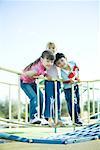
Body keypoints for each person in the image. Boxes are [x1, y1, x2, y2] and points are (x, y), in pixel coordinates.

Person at [20, 50, 54, 124]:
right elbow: (26, 74)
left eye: (51, 62)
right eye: (48, 61)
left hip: (32, 82)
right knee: (34, 97)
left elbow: (43, 72)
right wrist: (34, 74)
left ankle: (40, 117)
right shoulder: (37, 68)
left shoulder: (43, 66)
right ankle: (33, 117)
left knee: (41, 97)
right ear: (42, 60)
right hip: (25, 82)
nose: (50, 64)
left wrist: (46, 75)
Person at [54, 53, 82, 125]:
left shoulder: (72, 63)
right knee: (72, 102)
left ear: (65, 59)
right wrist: (72, 79)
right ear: (57, 66)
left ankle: (78, 116)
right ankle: (75, 119)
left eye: (62, 61)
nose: (61, 63)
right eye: (59, 63)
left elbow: (76, 70)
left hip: (76, 86)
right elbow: (67, 80)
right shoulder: (61, 73)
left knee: (77, 101)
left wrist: (77, 77)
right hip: (68, 89)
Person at [43, 42, 62, 126]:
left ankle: (58, 118)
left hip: (57, 81)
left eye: (53, 48)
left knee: (57, 100)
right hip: (49, 81)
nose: (52, 49)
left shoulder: (56, 58)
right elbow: (42, 69)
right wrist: (46, 75)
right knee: (49, 99)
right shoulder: (45, 58)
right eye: (50, 48)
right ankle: (49, 117)